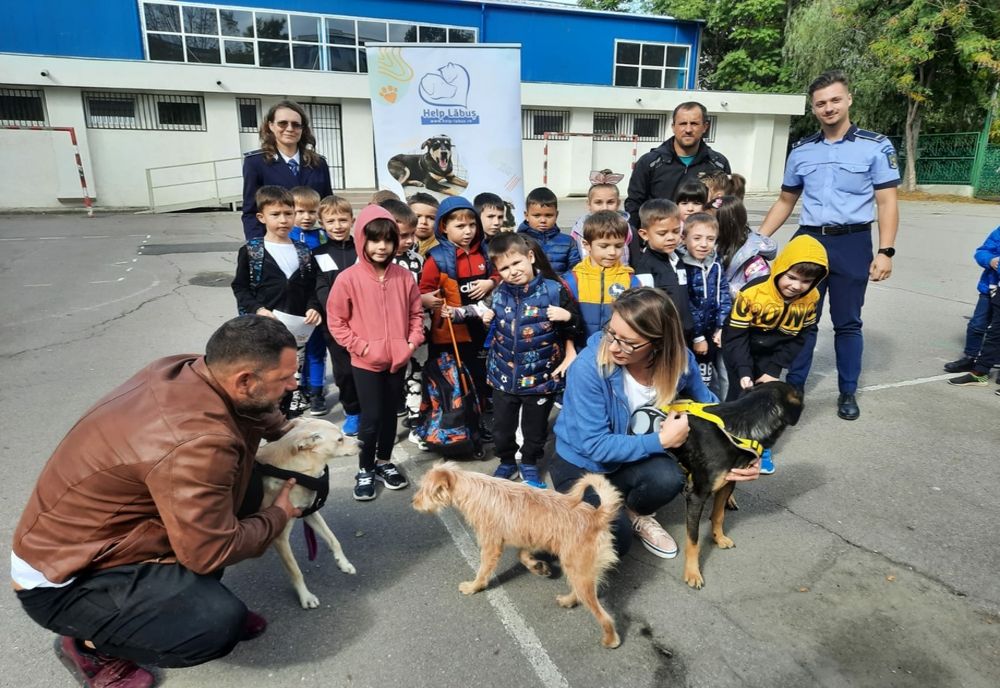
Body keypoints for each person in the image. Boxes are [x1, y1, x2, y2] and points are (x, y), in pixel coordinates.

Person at [12, 316, 304, 685]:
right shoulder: (196, 442)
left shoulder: (186, 370)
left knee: (239, 493)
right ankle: (89, 644)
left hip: (108, 540)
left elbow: (252, 408)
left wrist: (281, 427)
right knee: (215, 625)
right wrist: (277, 515)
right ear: (245, 380)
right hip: (66, 578)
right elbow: (211, 551)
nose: (294, 384)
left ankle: (176, 595)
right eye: (285, 379)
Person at [551, 287, 760, 559]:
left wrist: (747, 451)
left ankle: (633, 511)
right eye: (611, 333)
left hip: (631, 458)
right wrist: (661, 441)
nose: (613, 346)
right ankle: (568, 518)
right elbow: (595, 446)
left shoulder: (680, 361)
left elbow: (711, 408)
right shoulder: (588, 368)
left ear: (658, 343)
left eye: (628, 342)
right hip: (582, 464)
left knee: (668, 479)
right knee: (614, 542)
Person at [757, 70, 900, 421]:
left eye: (835, 100)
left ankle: (847, 392)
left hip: (852, 241)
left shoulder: (875, 145)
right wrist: (757, 241)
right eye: (821, 103)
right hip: (808, 240)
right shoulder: (802, 150)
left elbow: (887, 203)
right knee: (801, 318)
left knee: (848, 322)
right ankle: (795, 389)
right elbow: (785, 200)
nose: (828, 108)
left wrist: (886, 251)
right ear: (813, 108)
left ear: (848, 99)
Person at [327, 206, 424, 501]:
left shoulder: (403, 277)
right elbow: (336, 321)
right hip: (365, 363)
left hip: (397, 360)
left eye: (387, 240)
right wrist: (363, 347)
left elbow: (416, 314)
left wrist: (410, 343)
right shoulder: (348, 278)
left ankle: (384, 462)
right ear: (362, 241)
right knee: (370, 418)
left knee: (389, 416)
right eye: (374, 240)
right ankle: (365, 468)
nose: (381, 247)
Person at [482, 233, 582, 488]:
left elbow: (577, 328)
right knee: (501, 430)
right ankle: (506, 462)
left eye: (516, 263)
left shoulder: (554, 289)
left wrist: (567, 317)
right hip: (503, 377)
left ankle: (529, 464)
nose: (513, 271)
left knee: (535, 431)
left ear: (530, 256)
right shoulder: (499, 293)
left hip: (541, 378)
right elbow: (497, 327)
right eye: (505, 268)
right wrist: (487, 320)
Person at [723, 235, 829, 473]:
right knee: (739, 396)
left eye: (806, 281)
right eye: (791, 277)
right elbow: (736, 335)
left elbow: (801, 335)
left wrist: (774, 370)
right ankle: (729, 445)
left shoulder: (811, 298)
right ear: (780, 268)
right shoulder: (753, 291)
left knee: (767, 401)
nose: (796, 286)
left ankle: (760, 448)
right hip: (743, 347)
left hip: (774, 352)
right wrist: (744, 371)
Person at [232, 186, 321, 417]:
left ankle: (288, 425)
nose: (283, 220)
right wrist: (258, 309)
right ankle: (262, 426)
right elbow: (240, 287)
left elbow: (312, 286)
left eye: (288, 213)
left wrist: (314, 307)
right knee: (263, 381)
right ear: (261, 217)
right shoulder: (252, 251)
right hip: (262, 331)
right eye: (276, 214)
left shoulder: (303, 251)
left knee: (292, 380)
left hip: (296, 331)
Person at [419, 196, 498, 423]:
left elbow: (498, 274)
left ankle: (479, 417)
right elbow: (424, 291)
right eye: (460, 226)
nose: (468, 231)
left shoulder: (485, 252)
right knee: (454, 378)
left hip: (481, 327)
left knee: (480, 374)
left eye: (472, 225)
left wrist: (490, 282)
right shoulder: (436, 258)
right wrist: (427, 299)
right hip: (449, 333)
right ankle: (453, 421)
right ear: (443, 227)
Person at [624, 101, 731, 229]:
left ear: (705, 127)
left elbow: (726, 208)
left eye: (694, 123)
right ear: (673, 126)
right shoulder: (649, 162)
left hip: (701, 244)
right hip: (659, 243)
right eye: (683, 123)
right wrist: (637, 242)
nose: (688, 129)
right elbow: (634, 205)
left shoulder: (718, 164)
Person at [242, 100, 333, 241]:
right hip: (276, 242)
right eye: (283, 123)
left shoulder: (318, 163)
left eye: (296, 125)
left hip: (315, 243)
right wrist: (258, 246)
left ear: (303, 129)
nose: (290, 129)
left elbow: (328, 207)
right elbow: (250, 211)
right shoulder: (256, 162)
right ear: (271, 126)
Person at [312, 194, 361, 436]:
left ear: (352, 220)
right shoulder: (318, 253)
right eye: (330, 221)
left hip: (365, 320)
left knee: (369, 367)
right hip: (335, 324)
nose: (337, 226)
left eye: (342, 220)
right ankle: (352, 411)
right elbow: (320, 288)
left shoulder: (363, 249)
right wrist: (338, 312)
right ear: (321, 223)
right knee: (344, 371)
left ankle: (374, 407)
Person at [562, 210, 641, 341]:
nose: (612, 252)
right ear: (586, 244)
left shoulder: (631, 281)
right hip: (581, 353)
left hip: (617, 352)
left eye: (618, 246)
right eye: (604, 246)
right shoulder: (572, 281)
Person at [679, 212, 732, 396]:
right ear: (684, 238)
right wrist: (698, 336)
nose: (704, 244)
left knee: (712, 376)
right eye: (697, 238)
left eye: (710, 239)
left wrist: (721, 325)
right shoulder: (681, 265)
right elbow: (687, 303)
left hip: (713, 331)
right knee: (695, 377)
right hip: (693, 334)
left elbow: (723, 293)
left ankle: (721, 409)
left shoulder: (715, 262)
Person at [289, 186, 330, 416]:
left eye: (312, 212)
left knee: (316, 349)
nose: (306, 217)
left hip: (318, 304)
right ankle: (298, 387)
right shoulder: (287, 235)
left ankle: (316, 392)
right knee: (297, 351)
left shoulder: (322, 236)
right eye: (300, 211)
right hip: (295, 305)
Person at [631, 199, 694, 342]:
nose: (671, 237)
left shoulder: (679, 259)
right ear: (644, 234)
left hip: (685, 331)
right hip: (664, 335)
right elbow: (647, 305)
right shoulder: (645, 266)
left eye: (676, 231)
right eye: (662, 233)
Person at [943, 224, 1000, 376]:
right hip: (989, 289)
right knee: (977, 324)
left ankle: (993, 358)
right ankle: (970, 357)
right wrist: (990, 260)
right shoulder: (998, 232)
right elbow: (982, 252)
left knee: (997, 330)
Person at [715, 195, 777, 299]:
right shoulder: (711, 247)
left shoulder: (753, 260)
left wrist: (721, 289)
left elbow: (759, 293)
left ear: (728, 225)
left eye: (711, 221)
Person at [570, 169, 634, 264]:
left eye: (610, 202)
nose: (605, 207)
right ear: (589, 204)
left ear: (618, 203)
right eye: (598, 202)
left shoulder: (627, 229)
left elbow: (635, 260)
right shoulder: (579, 231)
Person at [517, 186, 581, 274]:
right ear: (526, 215)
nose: (543, 220)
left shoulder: (568, 242)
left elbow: (575, 270)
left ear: (556, 215)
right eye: (537, 216)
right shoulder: (517, 241)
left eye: (548, 215)